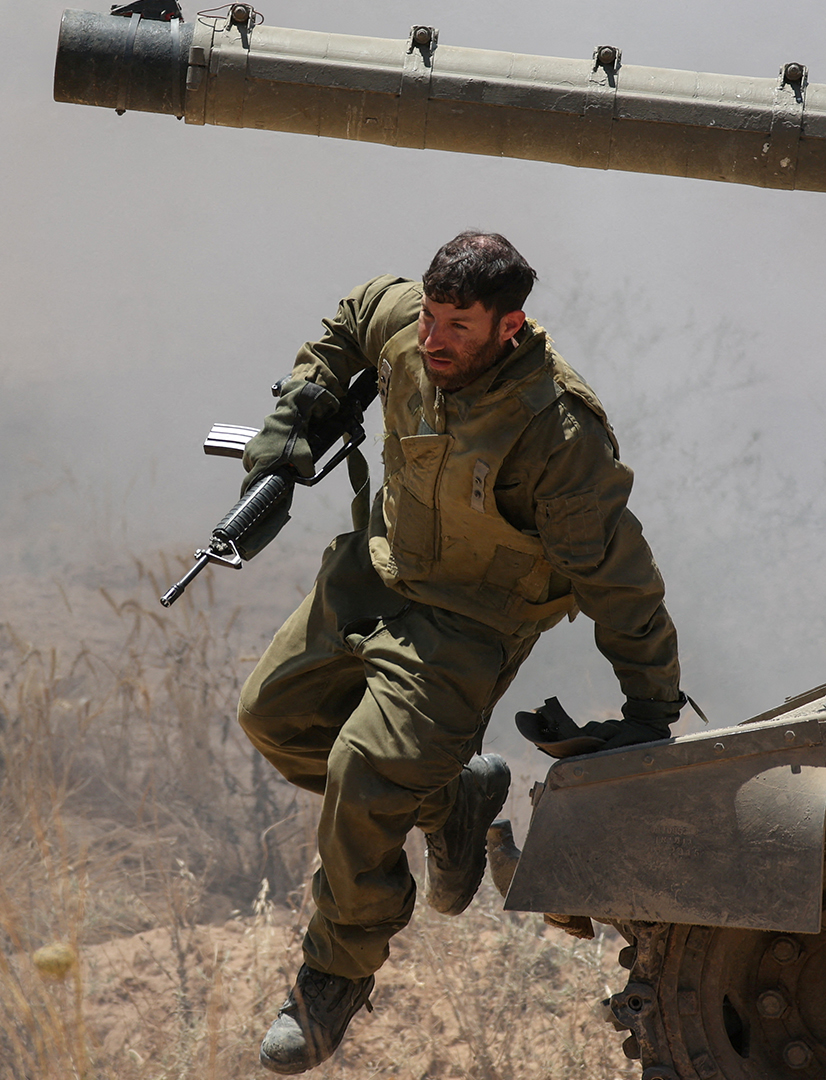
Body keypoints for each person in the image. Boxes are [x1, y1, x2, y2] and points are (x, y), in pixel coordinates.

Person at [234, 231, 684, 1074]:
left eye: (459, 327)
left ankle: (333, 975)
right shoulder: (409, 322)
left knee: (364, 776)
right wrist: (303, 403)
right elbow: (354, 319)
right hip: (380, 572)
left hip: (471, 621)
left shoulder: (558, 435)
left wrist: (651, 706)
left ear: (510, 325)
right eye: (431, 318)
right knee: (274, 716)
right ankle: (450, 799)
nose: (433, 341)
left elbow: (620, 580)